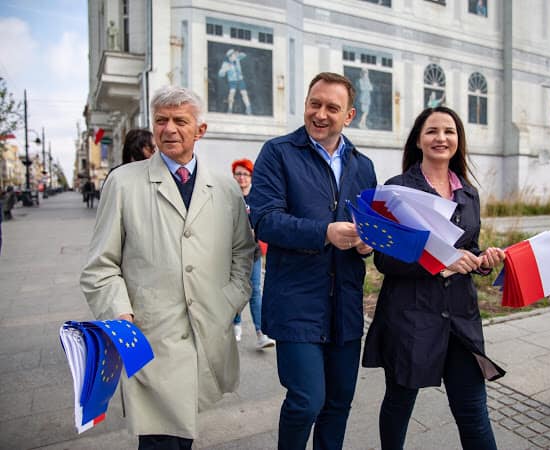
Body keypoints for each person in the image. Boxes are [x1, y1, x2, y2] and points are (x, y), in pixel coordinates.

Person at [80, 85, 256, 449]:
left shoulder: (225, 188)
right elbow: (100, 266)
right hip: (151, 336)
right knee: (161, 437)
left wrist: (230, 300)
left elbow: (243, 251)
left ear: (200, 130)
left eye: (180, 121)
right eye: (161, 121)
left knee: (182, 432)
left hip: (207, 330)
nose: (169, 129)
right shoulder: (124, 183)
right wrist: (120, 314)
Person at [362, 106, 506, 450]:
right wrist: (442, 263)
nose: (441, 138)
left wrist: (483, 261)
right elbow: (384, 258)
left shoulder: (468, 193)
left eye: (449, 131)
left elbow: (468, 248)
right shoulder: (397, 190)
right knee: (399, 404)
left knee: (473, 412)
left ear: (458, 140)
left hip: (460, 319)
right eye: (432, 131)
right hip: (410, 315)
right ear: (418, 140)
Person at [248, 72, 378, 450]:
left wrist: (367, 246)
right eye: (314, 104)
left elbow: (370, 227)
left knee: (338, 404)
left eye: (332, 108)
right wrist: (325, 232)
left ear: (349, 116)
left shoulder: (363, 165)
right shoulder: (278, 153)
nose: (320, 114)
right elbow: (265, 220)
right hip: (296, 302)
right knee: (306, 401)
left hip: (345, 305)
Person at [231, 158, 276, 349]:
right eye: (238, 174)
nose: (242, 178)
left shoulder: (257, 197)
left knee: (255, 290)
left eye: (245, 174)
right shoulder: (230, 196)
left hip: (253, 252)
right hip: (232, 253)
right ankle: (236, 324)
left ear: (251, 177)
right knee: (236, 288)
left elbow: (264, 220)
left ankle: (261, 332)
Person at [218, 48, 252, 115]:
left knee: (244, 93)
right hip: (232, 81)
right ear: (229, 57)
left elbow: (244, 55)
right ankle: (230, 109)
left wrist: (238, 54)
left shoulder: (237, 59)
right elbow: (220, 74)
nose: (234, 57)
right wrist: (224, 70)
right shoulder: (226, 64)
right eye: (233, 56)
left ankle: (248, 108)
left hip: (240, 79)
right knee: (232, 93)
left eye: (234, 55)